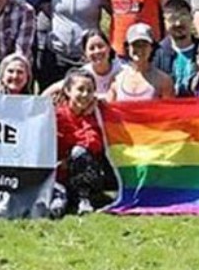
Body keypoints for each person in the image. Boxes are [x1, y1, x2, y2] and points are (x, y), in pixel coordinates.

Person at [52, 68, 109, 216]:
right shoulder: (55, 115)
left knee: (80, 152)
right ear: (68, 90)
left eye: (90, 90)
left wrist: (86, 118)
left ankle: (83, 198)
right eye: (80, 89)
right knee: (57, 208)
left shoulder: (96, 115)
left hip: (84, 172)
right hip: (56, 173)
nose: (85, 95)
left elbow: (94, 143)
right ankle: (61, 197)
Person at [109, 24, 174, 102]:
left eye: (144, 45)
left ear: (152, 48)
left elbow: (169, 110)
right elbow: (108, 107)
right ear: (128, 47)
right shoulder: (117, 79)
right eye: (135, 45)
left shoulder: (163, 81)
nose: (139, 49)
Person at [45, 31, 121, 97]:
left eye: (100, 46)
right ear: (85, 54)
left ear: (109, 48)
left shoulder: (122, 70)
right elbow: (56, 87)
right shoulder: (83, 73)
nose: (97, 51)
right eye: (92, 48)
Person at [151, 0, 198, 88]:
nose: (178, 23)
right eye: (172, 19)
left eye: (183, 17)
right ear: (164, 22)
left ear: (191, 18)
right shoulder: (157, 54)